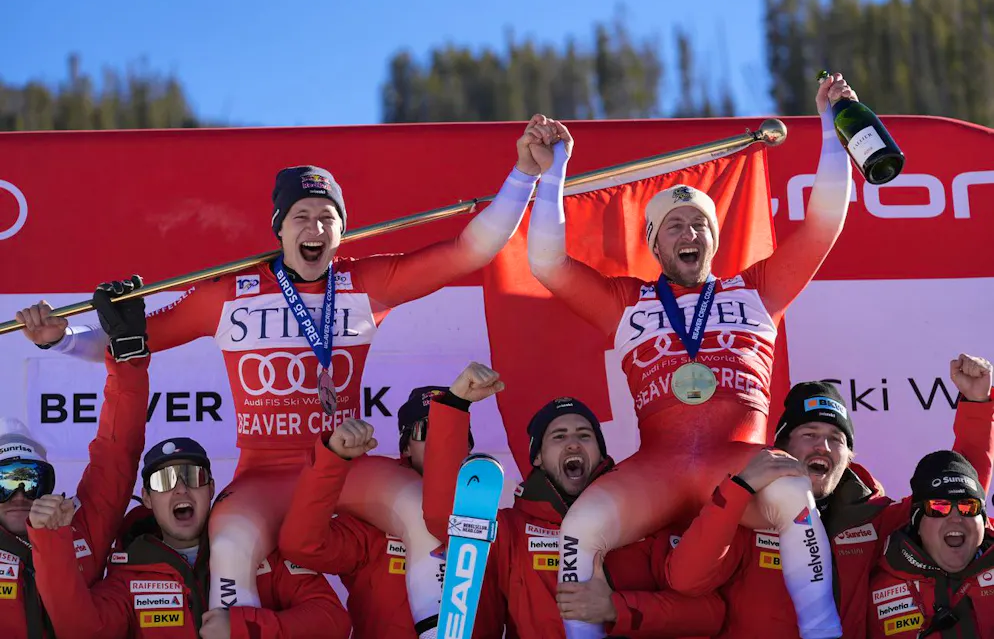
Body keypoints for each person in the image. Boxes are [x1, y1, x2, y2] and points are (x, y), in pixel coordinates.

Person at [15, 116, 552, 634]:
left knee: (428, 517)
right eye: (301, 216)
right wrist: (56, 338)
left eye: (327, 217)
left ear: (343, 229)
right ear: (279, 228)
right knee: (229, 544)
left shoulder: (365, 282)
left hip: (347, 467)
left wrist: (524, 173)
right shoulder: (229, 293)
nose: (315, 228)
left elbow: (470, 251)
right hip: (264, 477)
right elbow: (128, 346)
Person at [526, 76, 860, 638]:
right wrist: (554, 169)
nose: (690, 233)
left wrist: (833, 127)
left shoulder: (757, 290)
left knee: (793, 492)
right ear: (656, 246)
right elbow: (546, 263)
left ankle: (822, 632)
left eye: (701, 224)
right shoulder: (626, 301)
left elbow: (824, 224)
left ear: (715, 239)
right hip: (656, 468)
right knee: (580, 527)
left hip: (738, 460)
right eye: (675, 227)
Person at [665, 354, 994, 639]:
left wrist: (976, 406)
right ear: (782, 448)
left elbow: (958, 491)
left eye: (835, 438)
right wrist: (740, 489)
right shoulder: (747, 513)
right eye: (809, 434)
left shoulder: (874, 517)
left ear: (849, 455)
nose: (822, 446)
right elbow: (686, 580)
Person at [419, 363, 726, 639]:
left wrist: (618, 609)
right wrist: (456, 406)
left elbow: (709, 613)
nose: (573, 443)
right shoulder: (511, 530)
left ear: (600, 453)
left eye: (584, 435)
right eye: (558, 436)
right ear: (537, 457)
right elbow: (447, 519)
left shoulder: (643, 521)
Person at [28, 435, 351, 639]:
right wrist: (51, 542)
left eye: (192, 476)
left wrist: (245, 628)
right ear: (147, 498)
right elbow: (83, 631)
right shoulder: (129, 573)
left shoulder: (260, 549)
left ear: (210, 488)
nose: (180, 488)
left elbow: (332, 621)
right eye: (164, 480)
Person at [277, 373, 484, 639]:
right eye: (425, 430)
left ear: (467, 444)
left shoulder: (491, 522)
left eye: (452, 430)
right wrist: (333, 459)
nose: (439, 439)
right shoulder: (370, 527)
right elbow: (302, 546)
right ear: (405, 447)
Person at [0, 279, 150, 639]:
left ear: (49, 483)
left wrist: (128, 358)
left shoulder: (80, 525)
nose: (20, 494)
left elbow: (117, 451)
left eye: (31, 479)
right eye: (5, 482)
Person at [867, 451, 994, 638]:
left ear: (982, 521)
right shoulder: (876, 587)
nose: (955, 518)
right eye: (939, 507)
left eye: (968, 506)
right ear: (917, 522)